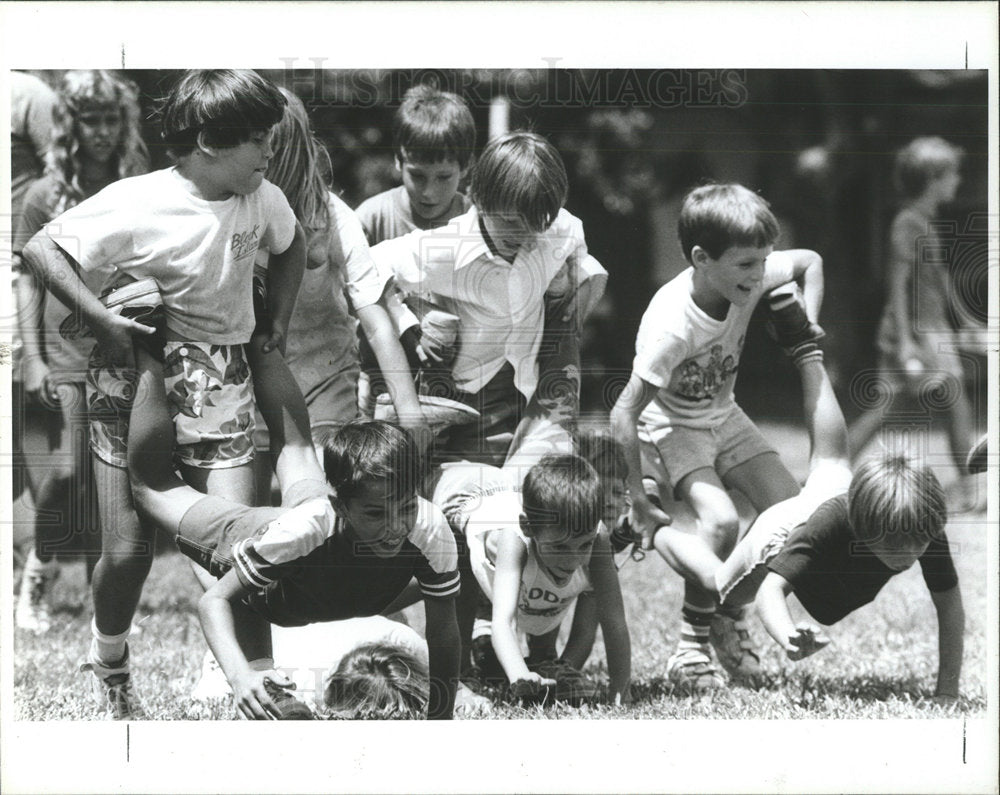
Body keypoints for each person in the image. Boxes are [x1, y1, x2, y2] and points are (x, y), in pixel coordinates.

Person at [22, 69, 306, 718]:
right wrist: (98, 317)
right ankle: (111, 656)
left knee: (237, 541)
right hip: (133, 376)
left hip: (223, 378)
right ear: (210, 140)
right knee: (126, 553)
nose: (271, 153)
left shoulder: (261, 198)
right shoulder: (138, 201)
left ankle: (251, 680)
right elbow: (42, 249)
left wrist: (279, 321)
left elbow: (292, 248)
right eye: (260, 140)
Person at [126, 334, 461, 720]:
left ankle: (260, 334)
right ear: (342, 506)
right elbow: (213, 601)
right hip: (255, 541)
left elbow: (443, 631)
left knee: (298, 446)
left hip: (319, 548)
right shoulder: (305, 529)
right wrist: (240, 675)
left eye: (404, 508)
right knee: (151, 487)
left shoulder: (427, 524)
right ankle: (147, 346)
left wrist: (441, 719)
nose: (395, 528)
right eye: (376, 515)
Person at [652, 296, 965, 702]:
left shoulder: (917, 521)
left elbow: (950, 605)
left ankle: (804, 346)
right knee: (719, 584)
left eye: (917, 544)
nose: (909, 556)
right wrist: (786, 634)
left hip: (833, 489)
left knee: (833, 457)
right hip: (782, 532)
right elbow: (771, 590)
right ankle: (651, 526)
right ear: (864, 524)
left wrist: (947, 691)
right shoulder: (833, 524)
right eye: (895, 546)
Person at [609, 183, 824, 692]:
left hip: (724, 415)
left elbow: (810, 260)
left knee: (794, 513)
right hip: (673, 426)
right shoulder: (672, 327)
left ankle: (729, 609)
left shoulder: (748, 272)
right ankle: (690, 647)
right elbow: (623, 412)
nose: (760, 274)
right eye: (748, 264)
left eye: (764, 261)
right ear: (702, 259)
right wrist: (638, 498)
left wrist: (808, 321)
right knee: (722, 521)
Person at [370, 131, 607, 470]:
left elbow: (579, 255)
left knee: (546, 483)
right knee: (479, 489)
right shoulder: (447, 248)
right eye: (510, 223)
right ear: (480, 200)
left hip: (533, 380)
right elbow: (369, 267)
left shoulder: (558, 228)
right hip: (471, 395)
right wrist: (408, 321)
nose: (523, 237)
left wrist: (564, 292)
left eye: (537, 226)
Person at [14, 70, 150, 634]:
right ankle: (38, 574)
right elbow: (26, 276)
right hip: (65, 356)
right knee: (69, 472)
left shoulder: (139, 185)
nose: (100, 131)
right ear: (70, 124)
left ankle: (109, 599)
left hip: (122, 350)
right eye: (88, 119)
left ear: (123, 124)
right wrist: (33, 356)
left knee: (114, 482)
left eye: (109, 119)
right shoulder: (46, 195)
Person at [251, 87, 427, 499]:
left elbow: (375, 318)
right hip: (249, 382)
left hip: (322, 380)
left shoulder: (329, 216)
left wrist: (410, 412)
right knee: (244, 511)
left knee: (321, 498)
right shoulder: (230, 212)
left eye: (268, 146)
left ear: (288, 152)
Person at [848, 137, 981, 513]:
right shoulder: (908, 223)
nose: (957, 180)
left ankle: (826, 470)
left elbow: (938, 281)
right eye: (953, 173)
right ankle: (968, 489)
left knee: (884, 409)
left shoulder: (924, 221)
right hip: (918, 334)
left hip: (929, 329)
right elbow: (898, 286)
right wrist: (906, 341)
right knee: (956, 404)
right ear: (933, 178)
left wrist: (964, 320)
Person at [438, 451, 631, 705]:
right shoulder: (513, 538)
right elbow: (504, 622)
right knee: (455, 572)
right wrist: (519, 674)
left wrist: (621, 691)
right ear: (527, 527)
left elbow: (614, 620)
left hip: (505, 493)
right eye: (560, 548)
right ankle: (461, 668)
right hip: (462, 493)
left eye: (583, 546)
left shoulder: (597, 536)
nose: (573, 560)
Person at [354, 84, 476, 418]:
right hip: (378, 384)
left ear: (466, 167)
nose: (430, 191)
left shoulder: (474, 222)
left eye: (444, 177)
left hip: (456, 388)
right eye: (417, 175)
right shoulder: (371, 217)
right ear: (398, 160)